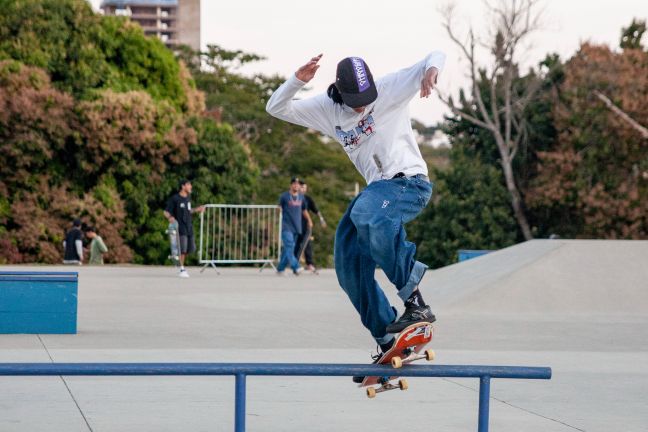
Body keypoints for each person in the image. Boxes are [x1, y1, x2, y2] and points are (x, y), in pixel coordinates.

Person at [266, 51, 445, 378]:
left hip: (409, 182)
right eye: (357, 102)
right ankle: (388, 338)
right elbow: (275, 108)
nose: (363, 106)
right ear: (341, 93)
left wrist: (432, 71)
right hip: (377, 191)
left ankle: (415, 303)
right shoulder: (324, 108)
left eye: (367, 100)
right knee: (346, 260)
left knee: (368, 215)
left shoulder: (389, 87)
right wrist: (296, 81)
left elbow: (433, 55)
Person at [163, 179, 205, 278]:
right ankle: (181, 268)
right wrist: (170, 218)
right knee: (183, 249)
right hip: (180, 228)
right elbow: (165, 212)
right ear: (183, 186)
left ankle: (179, 264)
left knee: (191, 248)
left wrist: (197, 209)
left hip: (188, 227)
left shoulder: (188, 198)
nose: (191, 186)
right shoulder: (175, 198)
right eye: (189, 184)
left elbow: (189, 211)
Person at [277, 177, 312, 275]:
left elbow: (304, 210)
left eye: (298, 184)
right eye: (294, 184)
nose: (296, 185)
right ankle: (296, 266)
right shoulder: (284, 196)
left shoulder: (301, 197)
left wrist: (309, 220)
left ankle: (280, 269)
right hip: (286, 226)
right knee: (289, 245)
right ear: (291, 185)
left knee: (288, 249)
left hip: (297, 227)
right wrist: (279, 212)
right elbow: (279, 207)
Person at [294, 180, 327, 272]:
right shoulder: (294, 198)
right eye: (302, 187)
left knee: (306, 243)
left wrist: (322, 220)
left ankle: (309, 263)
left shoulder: (307, 199)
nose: (303, 189)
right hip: (296, 224)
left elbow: (315, 210)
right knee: (297, 243)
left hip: (305, 225)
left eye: (305, 188)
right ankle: (295, 262)